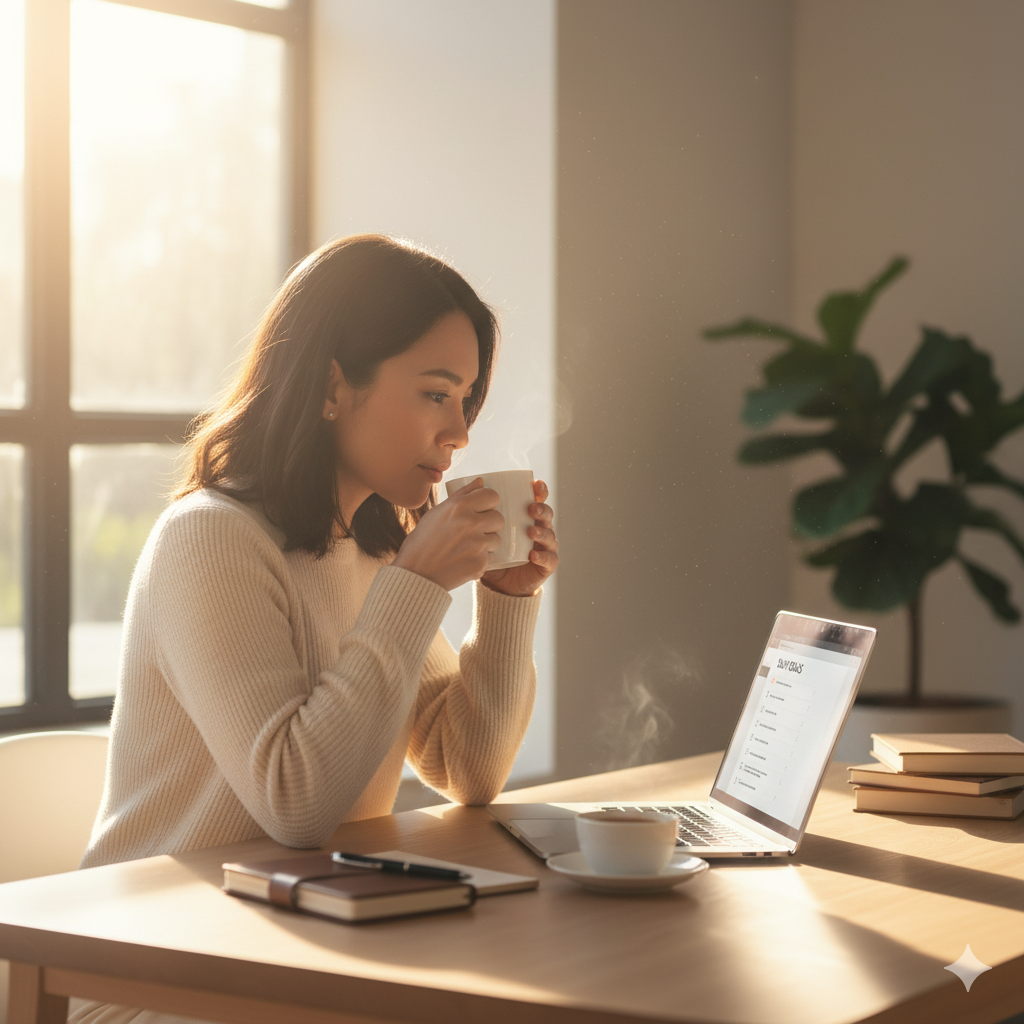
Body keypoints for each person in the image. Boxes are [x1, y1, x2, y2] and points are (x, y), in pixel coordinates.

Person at [69, 235, 557, 1024]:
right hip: (158, 975)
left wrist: (505, 600)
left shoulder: (367, 544)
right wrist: (416, 584)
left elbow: (466, 766)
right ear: (334, 384)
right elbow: (295, 804)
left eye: (467, 399)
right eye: (437, 394)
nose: (460, 432)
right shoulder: (212, 538)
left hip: (307, 940)